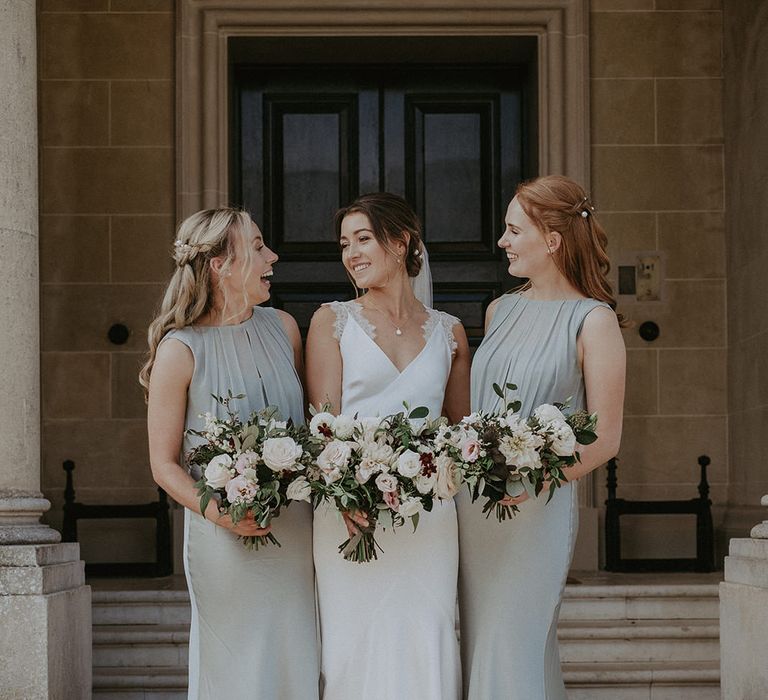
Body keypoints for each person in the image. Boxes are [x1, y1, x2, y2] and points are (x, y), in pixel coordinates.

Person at [458, 175, 626, 699]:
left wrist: (532, 478)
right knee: (483, 643)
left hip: (537, 509)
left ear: (551, 239)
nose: (503, 241)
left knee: (517, 641)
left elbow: (605, 438)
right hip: (474, 508)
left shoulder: (593, 321)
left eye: (512, 230)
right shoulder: (499, 310)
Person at [140, 208, 319, 699]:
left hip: (296, 531)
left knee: (295, 659)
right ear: (220, 263)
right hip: (223, 540)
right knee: (236, 670)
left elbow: (307, 430)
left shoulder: (284, 328)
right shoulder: (180, 350)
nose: (272, 256)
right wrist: (221, 513)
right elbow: (164, 464)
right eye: (258, 246)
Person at [306, 192, 470, 700]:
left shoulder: (451, 333)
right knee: (353, 645)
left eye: (363, 239)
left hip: (430, 518)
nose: (351, 253)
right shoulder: (331, 322)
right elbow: (323, 429)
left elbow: (460, 434)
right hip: (351, 512)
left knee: (430, 633)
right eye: (344, 244)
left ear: (401, 243)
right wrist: (346, 498)